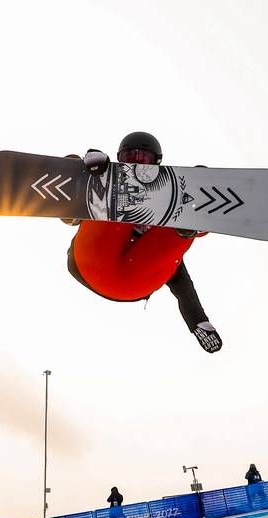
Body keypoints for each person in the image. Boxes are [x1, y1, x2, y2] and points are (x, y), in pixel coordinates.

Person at [63, 131, 222, 353]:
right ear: (120, 159)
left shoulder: (164, 212)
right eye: (130, 157)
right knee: (116, 198)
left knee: (170, 230)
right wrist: (80, 176)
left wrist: (197, 322)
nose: (137, 163)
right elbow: (71, 220)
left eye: (143, 159)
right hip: (91, 261)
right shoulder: (115, 197)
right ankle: (97, 180)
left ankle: (192, 217)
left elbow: (182, 285)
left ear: (156, 163)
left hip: (133, 280)